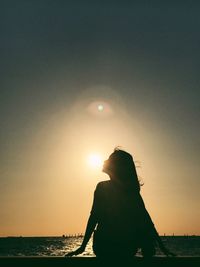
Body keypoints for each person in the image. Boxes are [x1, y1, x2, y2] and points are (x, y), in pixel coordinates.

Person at [66, 148, 175, 257]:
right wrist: (162, 248)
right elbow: (147, 221)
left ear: (116, 166)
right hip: (127, 248)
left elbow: (94, 217)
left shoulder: (102, 187)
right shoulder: (131, 191)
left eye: (109, 159)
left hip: (104, 247)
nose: (105, 161)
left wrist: (83, 247)